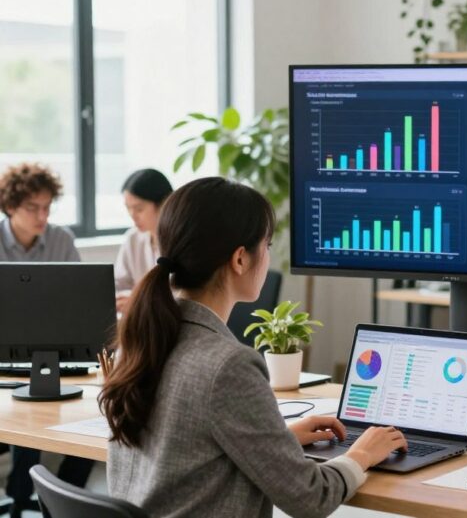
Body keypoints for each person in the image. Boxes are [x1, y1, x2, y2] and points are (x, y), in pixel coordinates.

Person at [99, 177, 407, 518]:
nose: (269, 254)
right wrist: (362, 453)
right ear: (240, 260)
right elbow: (310, 498)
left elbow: (186, 446)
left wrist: (279, 440)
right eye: (268, 243)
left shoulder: (140, 341)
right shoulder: (229, 365)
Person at [0, 162, 93, 517]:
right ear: (10, 205)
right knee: (27, 415)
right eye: (32, 207)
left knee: (99, 417)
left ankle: (62, 500)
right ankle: (23, 500)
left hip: (60, 356)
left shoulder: (61, 239)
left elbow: (80, 303)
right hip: (8, 364)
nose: (43, 215)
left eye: (47, 206)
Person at [114, 168, 173, 313]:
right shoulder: (132, 238)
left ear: (164, 204)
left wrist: (138, 302)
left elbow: (180, 297)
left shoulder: (180, 241)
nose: (132, 216)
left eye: (139, 209)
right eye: (128, 208)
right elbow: (118, 285)